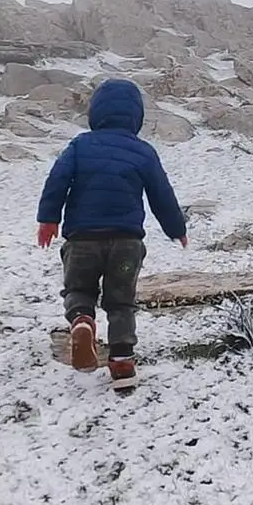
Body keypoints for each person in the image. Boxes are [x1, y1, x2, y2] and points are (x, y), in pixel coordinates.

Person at [35, 77, 187, 392]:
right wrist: (176, 229)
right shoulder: (143, 152)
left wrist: (48, 219)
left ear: (96, 113)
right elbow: (162, 194)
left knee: (79, 289)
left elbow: (57, 180)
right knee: (121, 301)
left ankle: (81, 320)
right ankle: (122, 363)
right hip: (126, 245)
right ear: (136, 117)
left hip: (82, 240)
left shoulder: (80, 145)